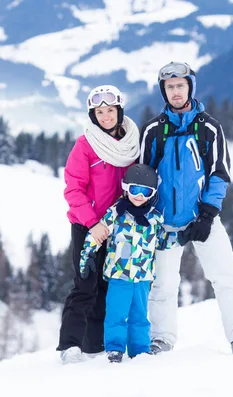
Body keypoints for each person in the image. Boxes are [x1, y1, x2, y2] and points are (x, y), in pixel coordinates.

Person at [139, 61, 233, 354]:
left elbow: (219, 173)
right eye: (170, 87)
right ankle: (161, 338)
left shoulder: (208, 128)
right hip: (165, 222)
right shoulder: (154, 131)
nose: (176, 91)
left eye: (180, 85)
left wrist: (207, 214)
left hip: (202, 217)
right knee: (163, 285)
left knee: (225, 274)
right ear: (164, 91)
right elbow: (142, 176)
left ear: (190, 88)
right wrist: (148, 215)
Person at [57, 85, 141, 363]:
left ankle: (94, 346)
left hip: (119, 227)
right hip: (88, 226)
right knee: (85, 285)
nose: (106, 116)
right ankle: (69, 346)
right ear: (93, 115)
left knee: (108, 285)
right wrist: (93, 223)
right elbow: (73, 189)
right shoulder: (86, 145)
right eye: (100, 112)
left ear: (120, 111)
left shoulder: (132, 142)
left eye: (110, 110)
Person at [79, 164, 185, 363]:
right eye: (134, 189)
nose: (139, 196)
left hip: (143, 277)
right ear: (126, 187)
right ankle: (115, 349)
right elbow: (96, 234)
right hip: (119, 275)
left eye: (145, 191)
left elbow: (162, 241)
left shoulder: (154, 218)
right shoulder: (115, 214)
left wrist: (183, 237)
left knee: (139, 317)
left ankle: (139, 350)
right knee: (116, 313)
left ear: (152, 193)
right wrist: (87, 256)